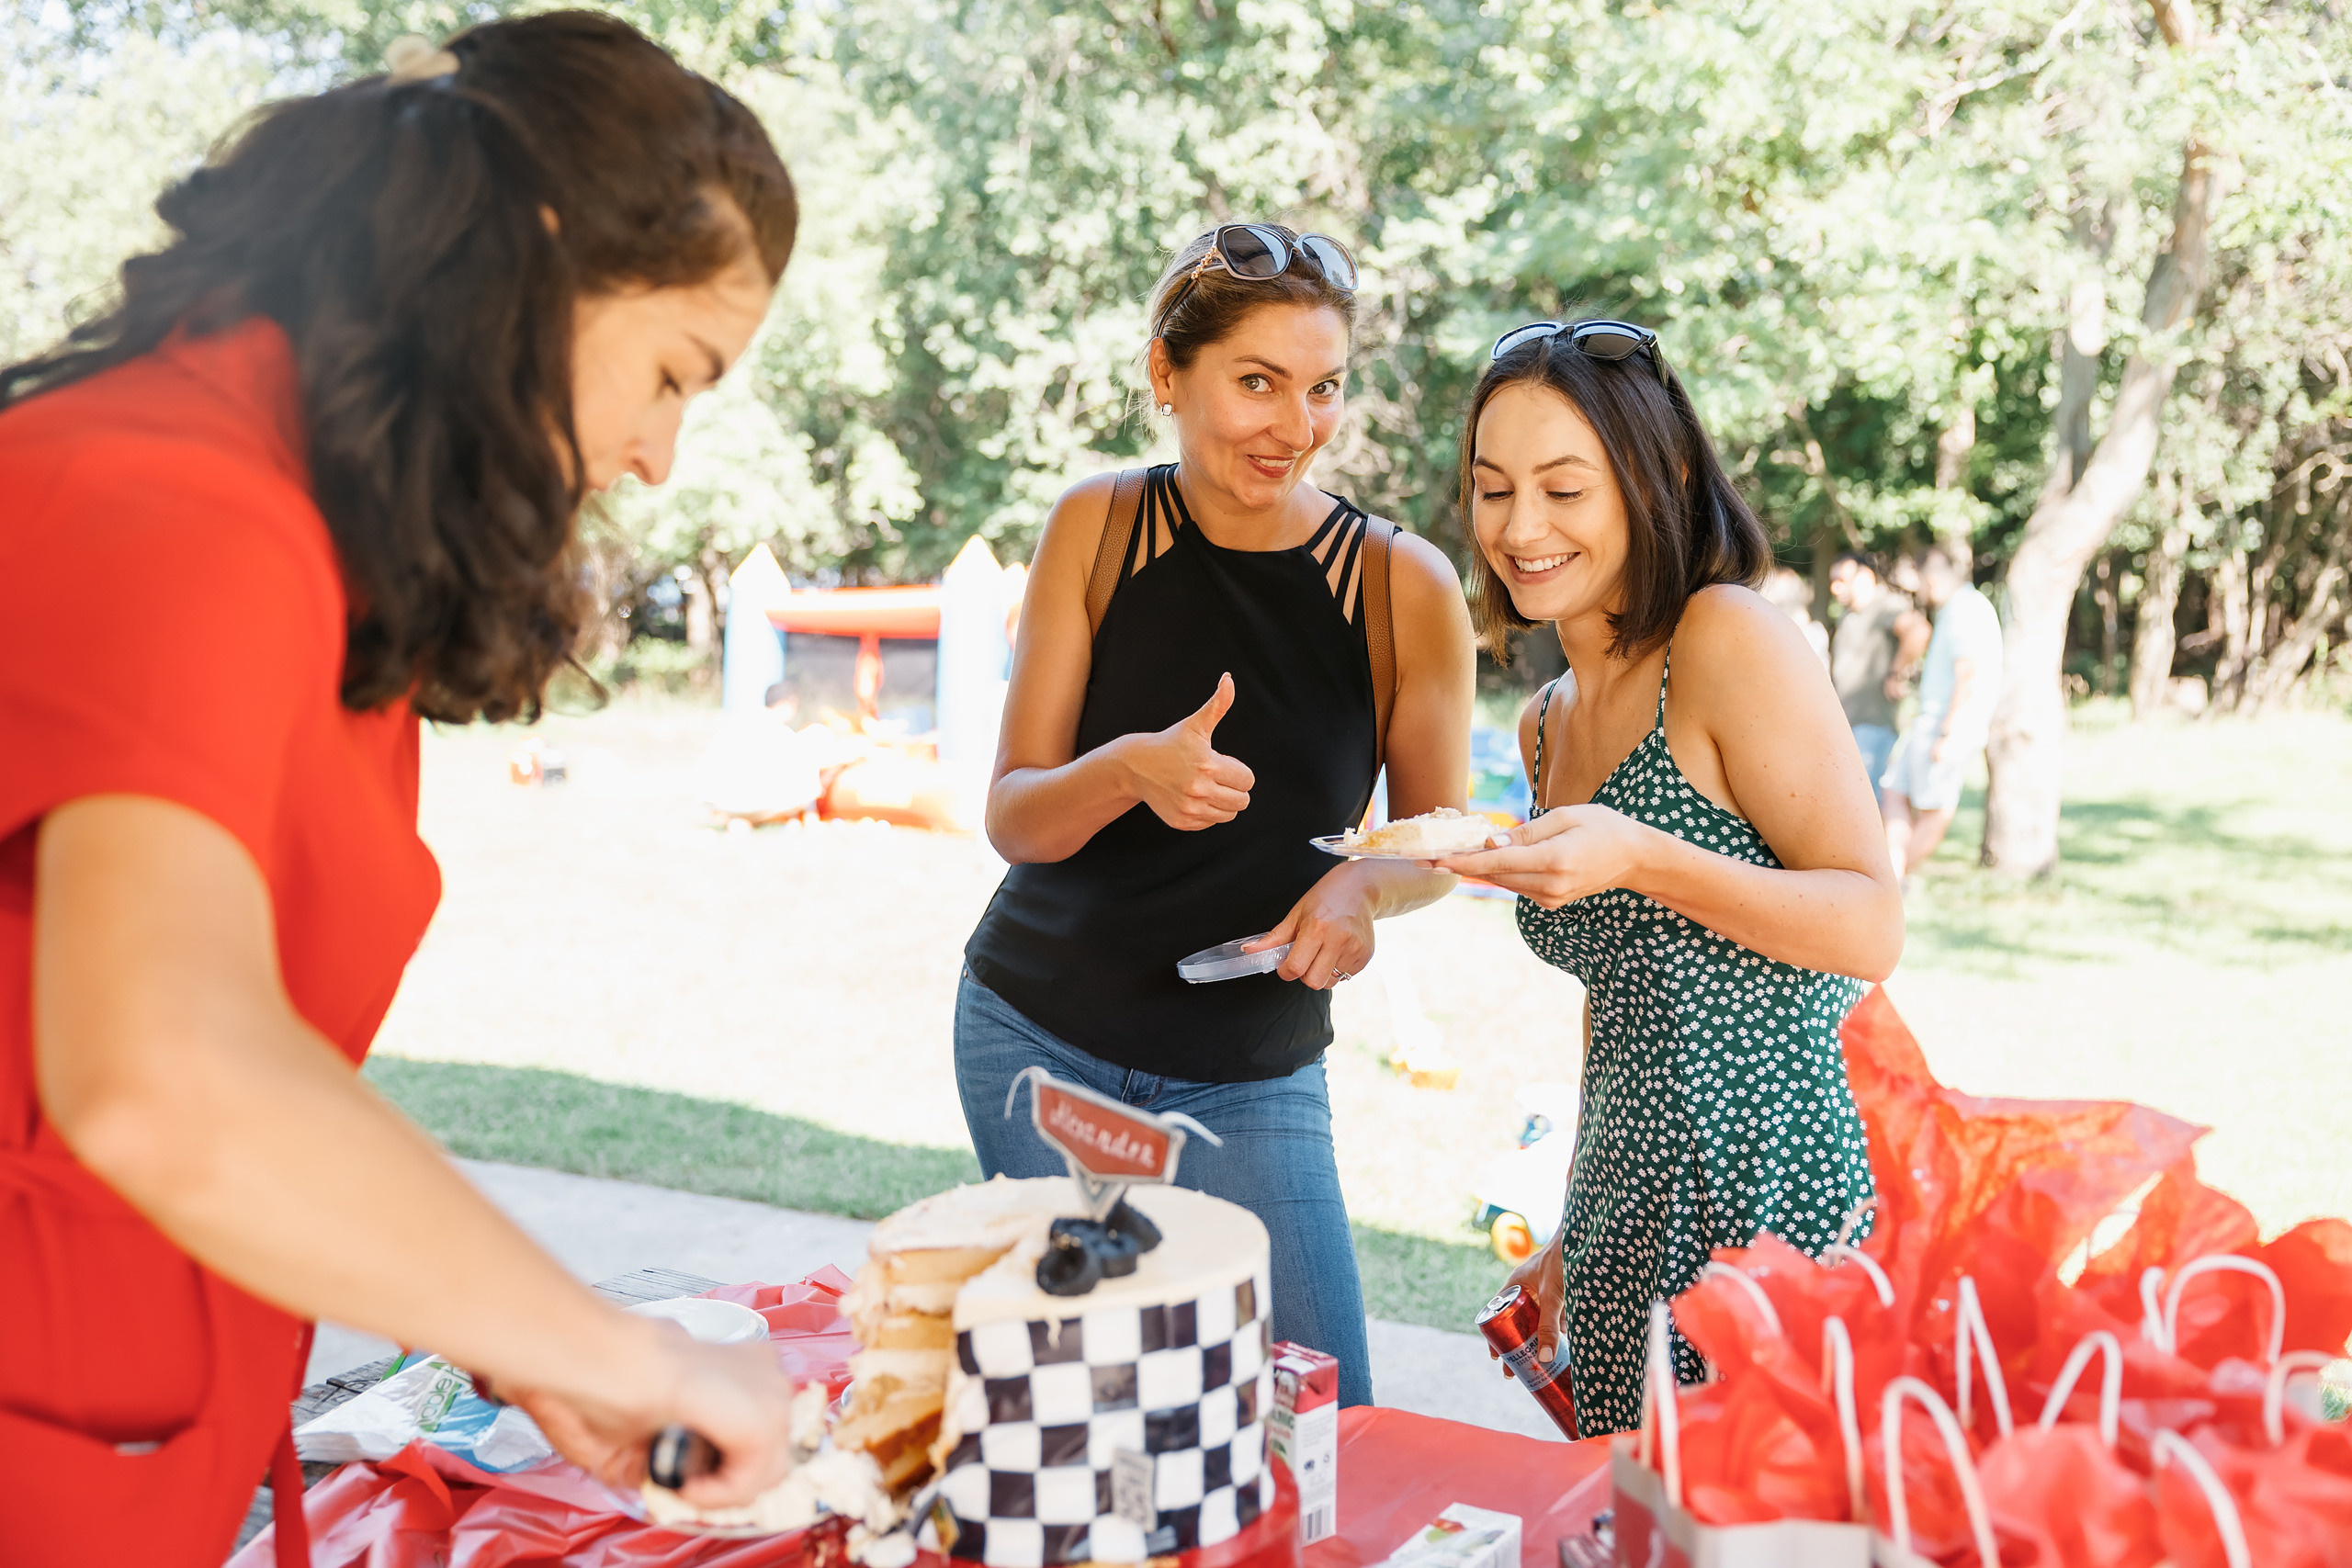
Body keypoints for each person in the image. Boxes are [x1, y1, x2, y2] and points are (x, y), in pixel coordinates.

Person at [0, 17, 804, 1562]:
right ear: (537, 261)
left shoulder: (307, 539)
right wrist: (607, 1346)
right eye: (670, 374)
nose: (658, 454)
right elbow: (172, 1070)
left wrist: (511, 1328)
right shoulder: (173, 496)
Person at [956, 223, 1476, 1407]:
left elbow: (1432, 843)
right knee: (1106, 1407)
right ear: (1167, 374)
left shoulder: (1402, 584)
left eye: (1322, 388)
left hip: (1252, 1070)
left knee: (1321, 1416)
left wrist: (1364, 887)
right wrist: (1127, 771)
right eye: (1256, 382)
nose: (1295, 425)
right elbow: (1016, 819)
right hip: (1038, 1042)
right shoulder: (1096, 527)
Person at [1430, 319, 1903, 1437]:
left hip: (1776, 1195)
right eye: (1493, 490)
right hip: (1619, 1214)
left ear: (1663, 478)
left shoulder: (1723, 638)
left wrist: (1642, 854)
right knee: (1629, 1515)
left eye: (1563, 489)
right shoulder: (1544, 724)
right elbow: (1621, 997)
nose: (1520, 528)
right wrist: (1570, 1226)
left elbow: (1870, 925)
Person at [1881, 542, 2003, 882]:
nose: (1919, 592)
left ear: (1931, 580)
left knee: (1935, 811)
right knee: (1893, 791)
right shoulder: (1955, 609)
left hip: (1947, 725)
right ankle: (1893, 876)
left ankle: (1892, 886)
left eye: (1919, 584)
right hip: (1929, 723)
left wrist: (1948, 732)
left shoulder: (1966, 609)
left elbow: (1967, 675)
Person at [1828, 550, 1930, 802]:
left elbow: (1919, 631)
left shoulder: (1885, 605)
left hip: (1874, 723)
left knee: (1862, 802)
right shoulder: (1849, 615)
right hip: (1850, 724)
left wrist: (1895, 675)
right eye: (1833, 581)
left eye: (1842, 580)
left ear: (1865, 577)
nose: (1835, 588)